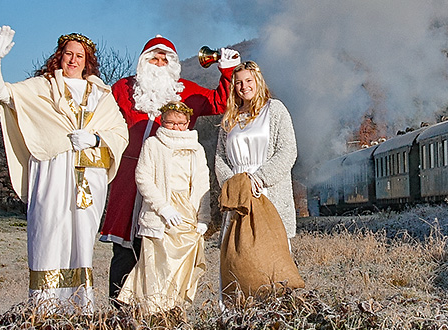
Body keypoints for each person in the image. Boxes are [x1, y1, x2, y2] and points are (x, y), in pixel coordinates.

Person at [0, 26, 129, 312]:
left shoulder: (101, 94)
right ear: (59, 57)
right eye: (69, 54)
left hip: (88, 176)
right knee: (49, 232)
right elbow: (2, 94)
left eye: (80, 56)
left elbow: (121, 133)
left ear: (87, 61)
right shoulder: (42, 86)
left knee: (81, 240)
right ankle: (44, 308)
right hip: (52, 169)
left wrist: (96, 138)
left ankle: (79, 307)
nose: (74, 60)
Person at [99, 35, 240, 302]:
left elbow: (220, 103)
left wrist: (227, 71)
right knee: (124, 248)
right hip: (129, 178)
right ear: (143, 62)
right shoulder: (123, 89)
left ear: (174, 63)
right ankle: (118, 310)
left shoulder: (186, 90)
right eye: (154, 57)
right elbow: (100, 112)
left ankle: (157, 306)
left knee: (160, 244)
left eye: (165, 59)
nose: (159, 63)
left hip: (169, 178)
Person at [214, 60, 300, 300]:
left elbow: (287, 151)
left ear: (258, 81)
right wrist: (233, 186)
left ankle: (275, 317)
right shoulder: (229, 118)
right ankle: (236, 316)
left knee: (273, 264)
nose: (244, 86)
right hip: (238, 198)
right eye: (239, 82)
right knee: (237, 260)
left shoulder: (276, 110)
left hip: (268, 193)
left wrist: (259, 179)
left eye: (248, 80)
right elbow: (220, 158)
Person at [116, 101, 210, 312]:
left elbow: (203, 182)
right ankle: (152, 314)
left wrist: (204, 218)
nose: (176, 127)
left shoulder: (196, 148)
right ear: (162, 121)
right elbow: (143, 177)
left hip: (187, 212)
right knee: (156, 268)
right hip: (161, 214)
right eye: (170, 123)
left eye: (180, 123)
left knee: (182, 268)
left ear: (188, 123)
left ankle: (175, 312)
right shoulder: (153, 144)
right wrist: (163, 207)